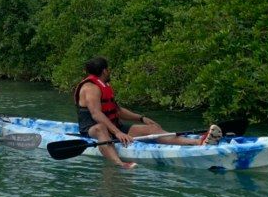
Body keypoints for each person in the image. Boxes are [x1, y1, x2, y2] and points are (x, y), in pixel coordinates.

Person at [75, 56, 222, 169]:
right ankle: (119, 164)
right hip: (92, 129)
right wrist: (118, 133)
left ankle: (198, 142)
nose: (110, 71)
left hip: (113, 127)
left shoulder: (105, 85)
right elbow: (96, 114)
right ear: (105, 70)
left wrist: (142, 118)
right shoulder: (90, 88)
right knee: (101, 128)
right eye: (109, 69)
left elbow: (118, 111)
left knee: (152, 129)